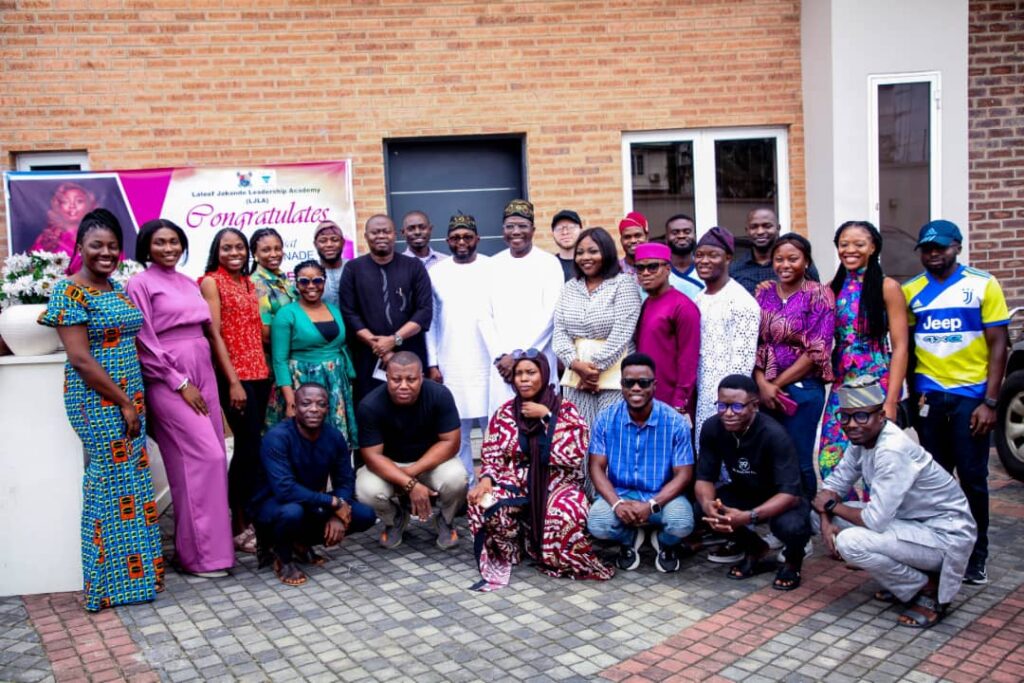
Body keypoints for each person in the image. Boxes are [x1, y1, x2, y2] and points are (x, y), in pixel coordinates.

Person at [40, 210, 163, 611]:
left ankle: (137, 581)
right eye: (97, 246)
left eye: (113, 246)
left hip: (131, 399)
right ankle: (103, 587)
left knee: (131, 484)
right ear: (80, 249)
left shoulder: (115, 288)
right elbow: (80, 358)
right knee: (107, 484)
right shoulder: (68, 292)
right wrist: (124, 402)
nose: (106, 253)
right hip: (98, 400)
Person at [813, 375, 976, 628]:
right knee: (817, 517)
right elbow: (833, 486)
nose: (851, 425)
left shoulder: (892, 449)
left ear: (881, 416)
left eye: (861, 416)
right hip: (907, 524)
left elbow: (873, 521)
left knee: (850, 542)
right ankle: (909, 581)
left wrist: (832, 506)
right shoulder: (863, 438)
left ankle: (927, 589)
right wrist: (825, 519)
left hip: (945, 536)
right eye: (845, 417)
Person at [903, 219, 1009, 585]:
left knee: (973, 480)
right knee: (934, 480)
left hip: (971, 399)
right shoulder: (911, 290)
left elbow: (999, 344)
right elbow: (908, 349)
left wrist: (991, 402)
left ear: (957, 247)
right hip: (929, 398)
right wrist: (910, 398)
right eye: (927, 249)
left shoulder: (982, 284)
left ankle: (976, 554)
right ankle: (940, 549)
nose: (934, 254)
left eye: (941, 247)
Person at [126, 219, 234, 578]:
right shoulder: (139, 284)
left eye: (175, 242)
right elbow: (143, 338)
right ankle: (200, 555)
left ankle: (204, 553)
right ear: (146, 248)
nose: (169, 248)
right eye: (160, 243)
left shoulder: (189, 283)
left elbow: (207, 329)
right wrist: (177, 381)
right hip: (170, 377)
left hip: (203, 372)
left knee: (206, 461)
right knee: (207, 457)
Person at [466, 351, 613, 590]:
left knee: (567, 512)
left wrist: (547, 417)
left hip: (557, 483)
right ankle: (512, 550)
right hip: (514, 483)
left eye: (531, 373)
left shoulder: (565, 409)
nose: (524, 379)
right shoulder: (504, 413)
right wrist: (485, 479)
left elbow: (573, 454)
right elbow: (492, 452)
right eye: (519, 374)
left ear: (543, 375)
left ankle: (552, 555)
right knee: (482, 501)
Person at [249, 383, 376, 586]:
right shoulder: (277, 438)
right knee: (292, 512)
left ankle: (300, 543)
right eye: (306, 403)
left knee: (364, 515)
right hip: (272, 505)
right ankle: (282, 557)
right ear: (294, 407)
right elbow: (285, 490)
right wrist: (333, 502)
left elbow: (345, 480)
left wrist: (337, 511)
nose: (314, 409)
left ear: (328, 408)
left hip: (308, 501)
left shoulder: (334, 437)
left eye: (321, 404)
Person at [818, 221, 908, 499]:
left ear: (873, 247)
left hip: (876, 384)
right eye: (844, 244)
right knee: (829, 460)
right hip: (843, 384)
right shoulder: (830, 289)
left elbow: (901, 346)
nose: (850, 250)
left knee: (877, 464)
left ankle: (876, 525)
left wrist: (891, 402)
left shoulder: (887, 287)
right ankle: (850, 515)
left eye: (859, 244)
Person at [696, 374, 811, 590]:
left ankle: (793, 563)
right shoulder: (712, 427)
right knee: (701, 510)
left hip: (783, 497)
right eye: (722, 406)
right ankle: (755, 549)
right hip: (745, 490)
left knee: (792, 527)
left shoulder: (774, 434)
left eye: (737, 407)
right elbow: (704, 478)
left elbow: (790, 494)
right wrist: (707, 505)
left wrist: (749, 517)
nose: (728, 413)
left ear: (754, 406)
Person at [587, 353, 696, 573]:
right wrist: (617, 504)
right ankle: (629, 539)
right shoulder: (606, 419)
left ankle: (665, 543)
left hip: (662, 497)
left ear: (654, 386)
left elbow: (684, 474)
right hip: (621, 495)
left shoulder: (675, 422)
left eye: (643, 382)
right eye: (629, 382)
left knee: (682, 522)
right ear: (621, 385)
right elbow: (596, 467)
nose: (636, 388)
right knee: (598, 523)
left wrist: (652, 505)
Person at [199, 227, 272, 554]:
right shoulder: (211, 282)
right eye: (227, 248)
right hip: (236, 376)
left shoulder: (247, 281)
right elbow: (213, 333)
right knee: (246, 449)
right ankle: (237, 522)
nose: (234, 253)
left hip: (259, 373)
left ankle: (250, 514)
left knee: (254, 449)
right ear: (216, 251)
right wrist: (232, 382)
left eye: (240, 247)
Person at [355, 352, 466, 549]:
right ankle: (395, 519)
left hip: (431, 463)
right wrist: (410, 484)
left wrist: (409, 477)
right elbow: (372, 456)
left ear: (421, 377)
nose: (404, 385)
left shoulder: (440, 395)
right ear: (387, 377)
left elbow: (451, 443)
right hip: (389, 466)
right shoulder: (370, 405)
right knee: (366, 489)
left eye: (411, 379)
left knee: (457, 477)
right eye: (396, 379)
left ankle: (445, 521)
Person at [753, 233, 834, 497]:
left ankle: (804, 524)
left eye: (793, 259)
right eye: (779, 259)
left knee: (798, 458)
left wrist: (775, 385)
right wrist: (762, 384)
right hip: (764, 388)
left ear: (807, 262)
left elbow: (817, 349)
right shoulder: (763, 293)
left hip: (803, 389)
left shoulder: (819, 294)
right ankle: (775, 522)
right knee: (769, 457)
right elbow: (752, 342)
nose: (785, 265)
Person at [482, 199, 565, 416]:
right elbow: (484, 317)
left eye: (522, 226)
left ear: (533, 230)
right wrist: (502, 357)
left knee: (541, 425)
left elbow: (551, 316)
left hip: (537, 359)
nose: (516, 231)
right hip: (503, 366)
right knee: (505, 424)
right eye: (510, 226)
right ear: (503, 231)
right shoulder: (492, 265)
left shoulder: (548, 264)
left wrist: (518, 357)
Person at [426, 213, 492, 486]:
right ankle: (466, 486)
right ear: (447, 241)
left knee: (492, 429)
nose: (461, 242)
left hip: (488, 361)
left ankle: (492, 483)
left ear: (477, 239)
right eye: (455, 237)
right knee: (457, 431)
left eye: (467, 236)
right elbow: (430, 321)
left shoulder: (493, 267)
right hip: (451, 360)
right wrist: (432, 362)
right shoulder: (437, 271)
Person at [553, 226, 641, 427]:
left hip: (614, 377)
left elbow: (623, 332)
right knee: (579, 436)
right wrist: (576, 365)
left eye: (593, 251)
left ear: (607, 252)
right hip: (576, 377)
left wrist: (593, 370)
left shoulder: (623, 284)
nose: (585, 257)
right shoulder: (570, 287)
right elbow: (559, 332)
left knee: (611, 435)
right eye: (580, 252)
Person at [339, 214, 433, 401]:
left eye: (386, 231)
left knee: (414, 406)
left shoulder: (414, 267)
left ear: (395, 235)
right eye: (375, 232)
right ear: (365, 236)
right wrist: (379, 345)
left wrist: (394, 339)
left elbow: (424, 311)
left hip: (410, 350)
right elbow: (349, 313)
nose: (381, 236)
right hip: (368, 355)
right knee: (371, 406)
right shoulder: (353, 269)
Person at [270, 260, 358, 445]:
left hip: (335, 383)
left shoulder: (334, 310)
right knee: (304, 439)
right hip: (301, 383)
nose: (311, 286)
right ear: (296, 284)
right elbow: (279, 360)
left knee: (336, 438)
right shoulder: (286, 314)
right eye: (304, 281)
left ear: (324, 282)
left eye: (317, 280)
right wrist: (290, 400)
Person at [692, 226, 760, 445]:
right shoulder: (699, 298)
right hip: (702, 394)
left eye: (713, 255)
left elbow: (743, 362)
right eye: (700, 255)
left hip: (728, 403)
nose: (704, 261)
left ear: (728, 258)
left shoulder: (741, 301)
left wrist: (728, 404)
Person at [634, 242, 700, 421]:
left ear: (668, 269)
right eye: (640, 268)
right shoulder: (646, 303)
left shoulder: (683, 306)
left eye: (653, 267)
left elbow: (689, 359)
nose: (645, 273)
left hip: (672, 403)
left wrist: (680, 403)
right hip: (644, 397)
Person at [730, 207, 820, 294]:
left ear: (778, 228)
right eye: (754, 227)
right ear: (747, 230)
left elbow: (817, 296)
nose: (760, 231)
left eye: (767, 226)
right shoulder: (734, 269)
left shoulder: (799, 265)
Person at [31, 181, 97, 260]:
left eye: (79, 201)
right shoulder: (48, 238)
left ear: (89, 204)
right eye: (65, 201)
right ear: (57, 206)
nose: (72, 206)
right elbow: (32, 266)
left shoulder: (99, 235)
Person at [664, 214, 704, 300]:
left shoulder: (706, 269)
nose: (681, 236)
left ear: (695, 236)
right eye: (675, 233)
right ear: (666, 238)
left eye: (687, 232)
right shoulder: (659, 272)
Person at [313, 220, 347, 309]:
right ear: (315, 244)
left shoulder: (353, 268)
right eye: (323, 241)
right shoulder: (309, 272)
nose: (329, 245)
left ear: (343, 243)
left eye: (334, 240)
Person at [550, 209, 583, 282]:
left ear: (580, 230)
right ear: (553, 233)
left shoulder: (589, 264)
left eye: (571, 227)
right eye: (559, 228)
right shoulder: (549, 265)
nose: (565, 232)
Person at [617, 211, 648, 278]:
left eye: (637, 236)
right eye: (627, 237)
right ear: (621, 240)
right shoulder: (615, 270)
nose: (633, 241)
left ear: (646, 237)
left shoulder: (656, 267)